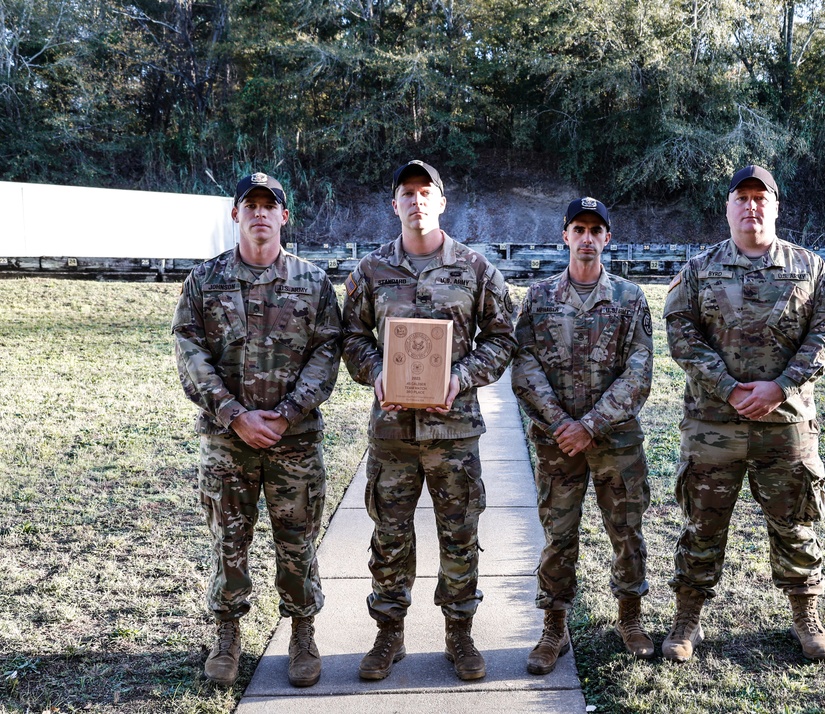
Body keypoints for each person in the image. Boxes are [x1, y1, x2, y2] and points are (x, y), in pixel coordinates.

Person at [661, 165, 825, 662]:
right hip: (713, 425)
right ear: (727, 208)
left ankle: (806, 617)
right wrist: (726, 387)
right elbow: (681, 333)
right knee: (702, 524)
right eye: (741, 198)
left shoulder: (810, 268)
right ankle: (687, 620)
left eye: (760, 198)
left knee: (795, 524)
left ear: (775, 206)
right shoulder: (699, 269)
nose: (751, 206)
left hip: (784, 424)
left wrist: (781, 386)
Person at [341, 160, 516, 681]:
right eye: (406, 193)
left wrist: (460, 377)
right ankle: (388, 635)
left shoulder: (476, 269)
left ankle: (459, 635)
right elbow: (350, 338)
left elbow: (503, 338)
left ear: (442, 201)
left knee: (459, 535)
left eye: (426, 192)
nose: (416, 201)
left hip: (454, 433)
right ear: (393, 204)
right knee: (389, 536)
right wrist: (374, 372)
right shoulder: (370, 272)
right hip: (393, 433)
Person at [172, 172, 343, 688]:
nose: (261, 213)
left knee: (298, 541)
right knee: (228, 538)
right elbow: (189, 352)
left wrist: (287, 413)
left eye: (271, 206)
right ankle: (227, 633)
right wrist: (234, 415)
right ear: (236, 214)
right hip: (228, 443)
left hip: (295, 442)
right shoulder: (204, 281)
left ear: (284, 216)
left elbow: (326, 352)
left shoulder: (313, 283)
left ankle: (302, 632)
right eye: (252, 204)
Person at [511, 197, 656, 674]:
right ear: (566, 236)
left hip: (615, 441)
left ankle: (631, 619)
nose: (588, 237)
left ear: (607, 238)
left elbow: (638, 372)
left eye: (597, 230)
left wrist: (590, 425)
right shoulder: (538, 299)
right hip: (558, 445)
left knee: (627, 531)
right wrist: (560, 425)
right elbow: (525, 366)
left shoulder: (630, 299)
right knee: (558, 535)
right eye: (579, 228)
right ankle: (554, 627)